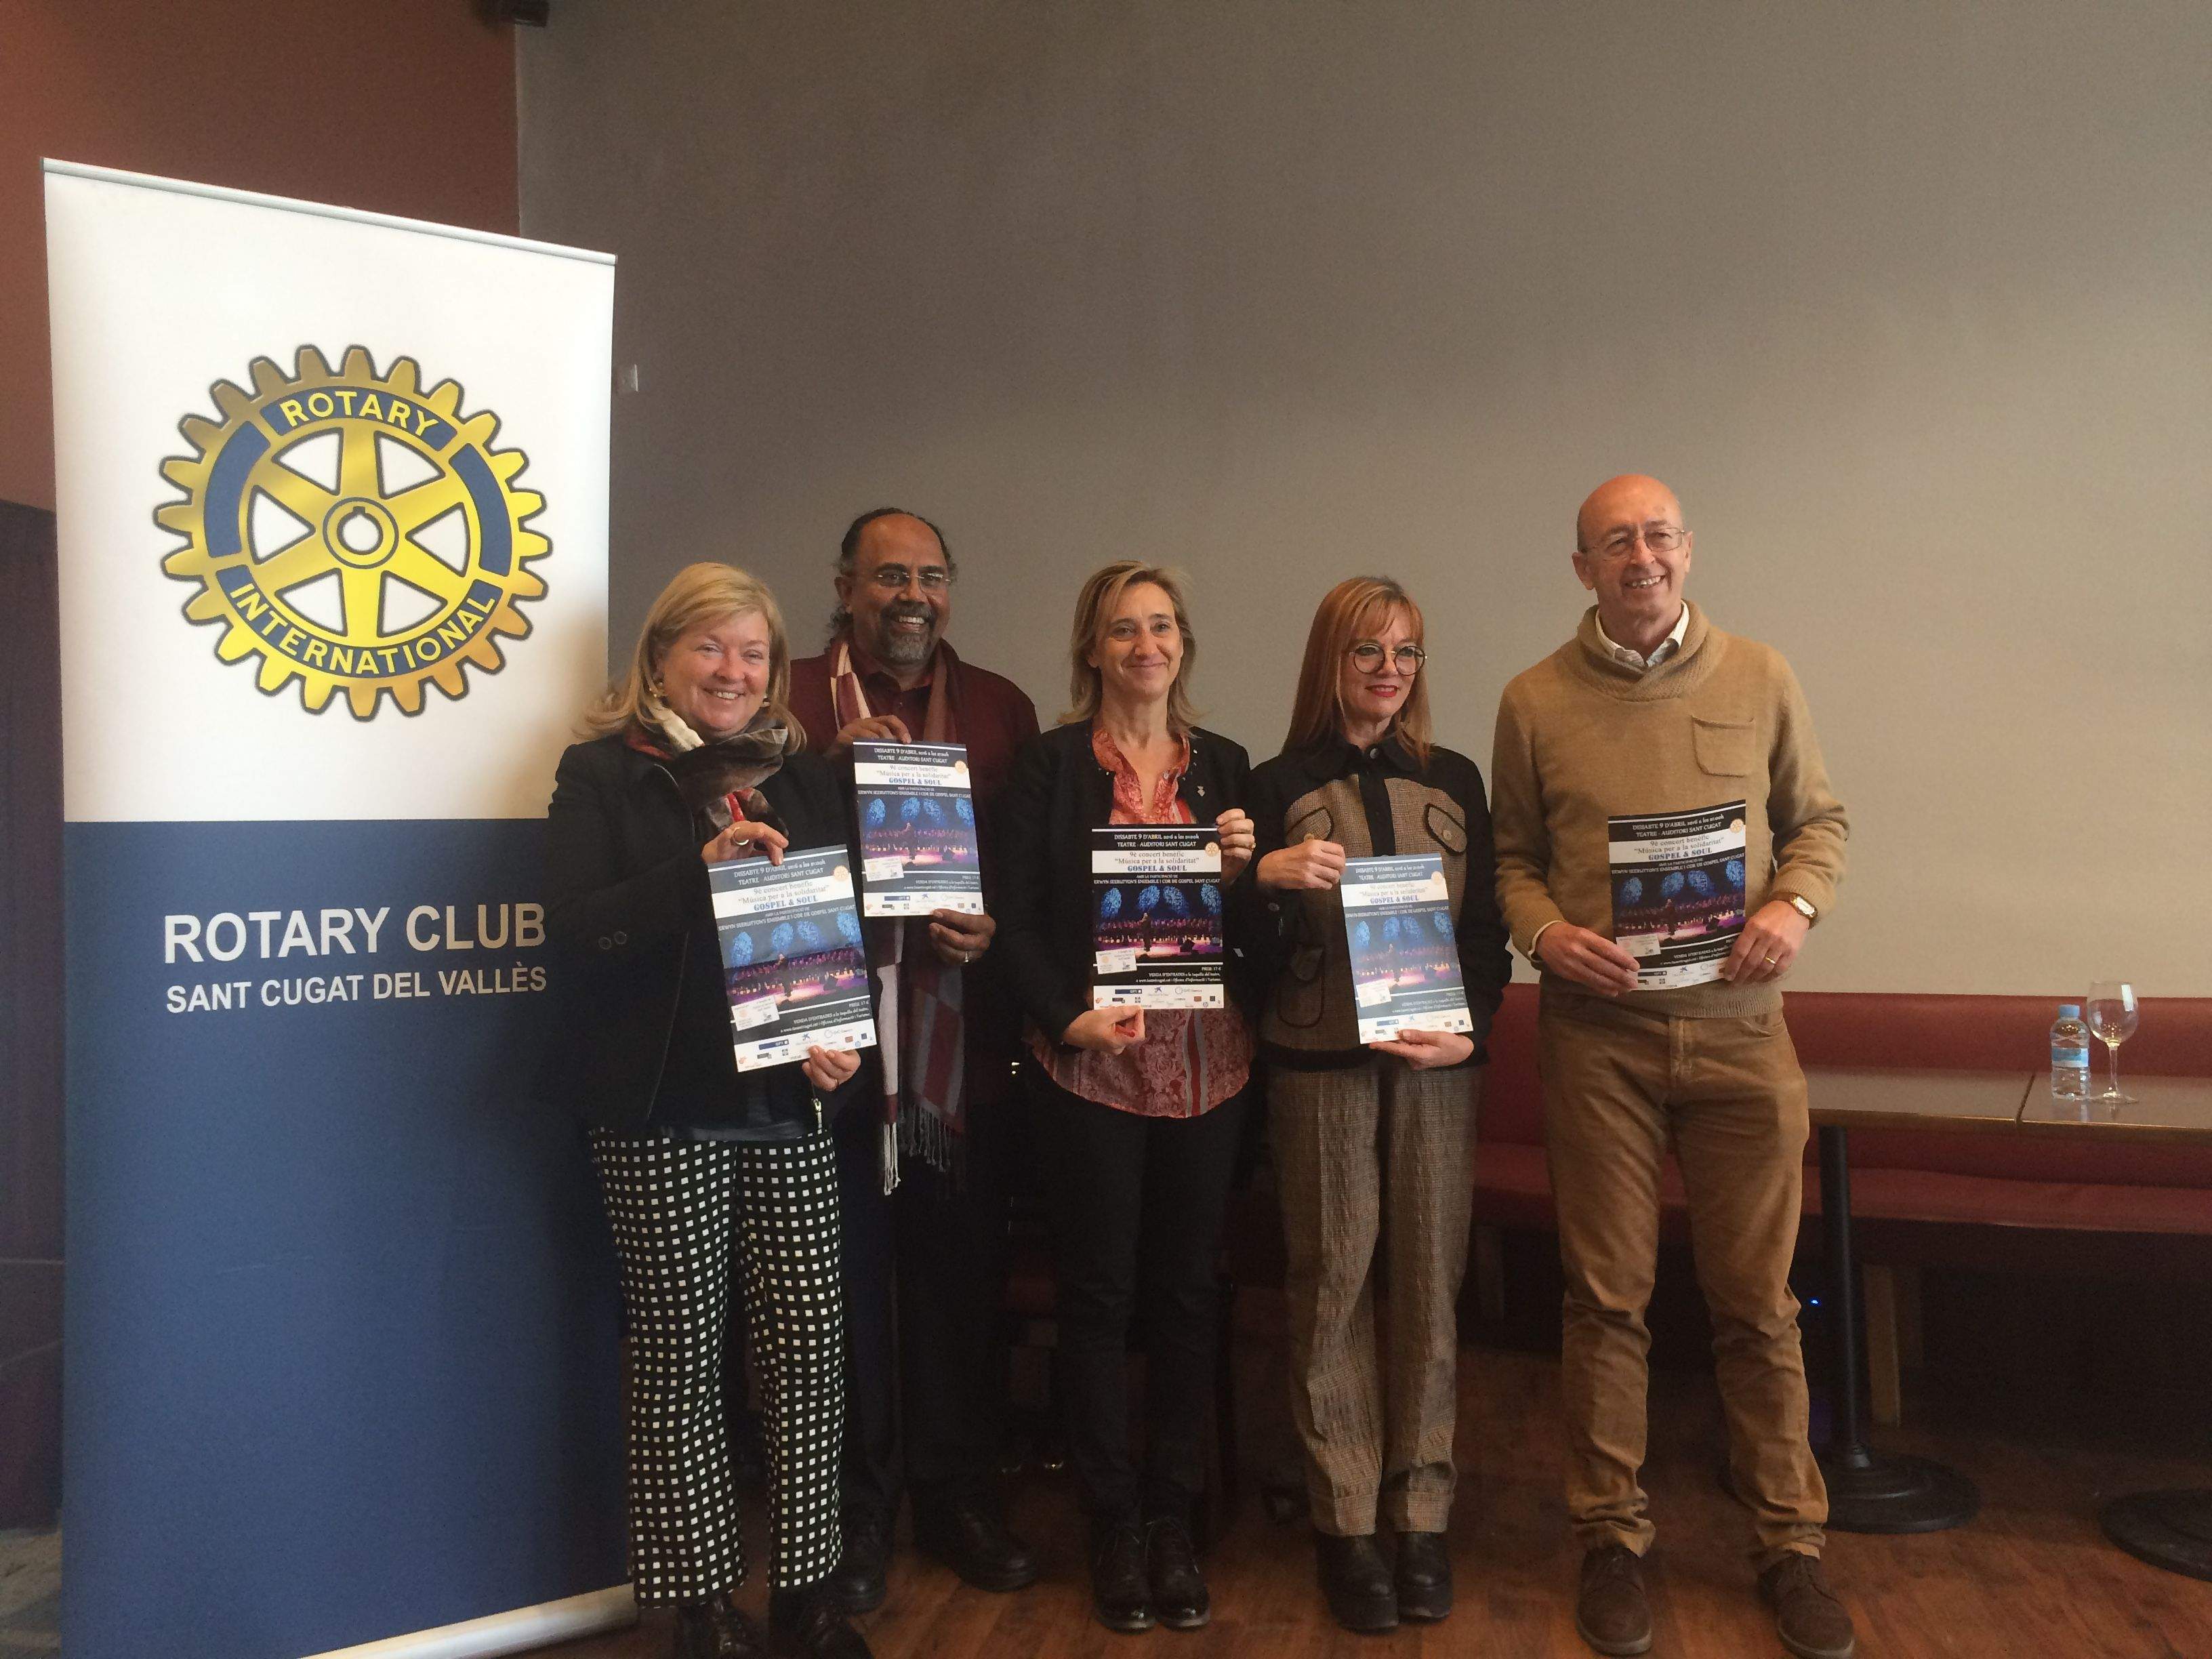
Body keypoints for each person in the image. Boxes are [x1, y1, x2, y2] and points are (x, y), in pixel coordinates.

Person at [1488, 476, 1855, 1659]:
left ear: (1688, 551)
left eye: (1657, 536)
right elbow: (1510, 860)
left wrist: (1794, 907)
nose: (1639, 556)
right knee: (1606, 1300)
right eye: (1614, 542)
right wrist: (1545, 935)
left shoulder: (1764, 675)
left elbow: (1821, 824)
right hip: (1599, 1040)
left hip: (1743, 1032)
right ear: (1583, 566)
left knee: (1758, 1303)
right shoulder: (1534, 700)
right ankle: (1609, 1540)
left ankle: (1792, 1547)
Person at [542, 563, 874, 1659]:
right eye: (711, 649)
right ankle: (698, 1607)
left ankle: (811, 1589)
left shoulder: (800, 777)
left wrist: (841, 1034)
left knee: (810, 1346)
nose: (734, 672)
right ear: (662, 657)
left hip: (788, 1100)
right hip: (660, 1106)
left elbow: (837, 932)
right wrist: (700, 871)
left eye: (754, 654)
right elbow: (575, 929)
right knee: (683, 1353)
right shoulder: (602, 775)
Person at [782, 509, 1042, 1610]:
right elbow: (748, 851)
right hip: (825, 1059)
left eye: (932, 576)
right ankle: (852, 1516)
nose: (913, 595)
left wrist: (993, 930)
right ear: (844, 585)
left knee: (955, 1287)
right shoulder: (787, 700)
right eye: (890, 575)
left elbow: (1023, 878)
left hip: (958, 1062)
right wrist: (822, 786)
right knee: (840, 1296)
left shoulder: (1000, 709)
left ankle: (954, 1493)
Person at [993, 562, 1258, 1635]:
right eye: (1122, 629)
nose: (1145, 644)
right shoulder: (1051, 767)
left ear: (1183, 643)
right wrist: (1065, 1017)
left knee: (1189, 1295)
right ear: (1092, 649)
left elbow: (1254, 934)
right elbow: (1009, 918)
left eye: (1161, 626)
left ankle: (1171, 1516)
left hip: (1211, 1071)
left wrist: (1244, 872)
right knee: (1098, 1297)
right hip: (1092, 1068)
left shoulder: (1227, 764)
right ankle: (1110, 1519)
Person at [1244, 577, 1511, 1633]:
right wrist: (1261, 878)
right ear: (1329, 662)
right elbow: (1246, 955)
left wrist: (1474, 1030)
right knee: (1333, 1282)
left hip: (1437, 1067)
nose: (1390, 672)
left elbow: (1484, 932)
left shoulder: (1454, 779)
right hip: (1317, 1065)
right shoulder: (1275, 782)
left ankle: (1423, 1510)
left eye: (1407, 652)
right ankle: (1346, 1518)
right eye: (1368, 653)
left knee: (1429, 1287)